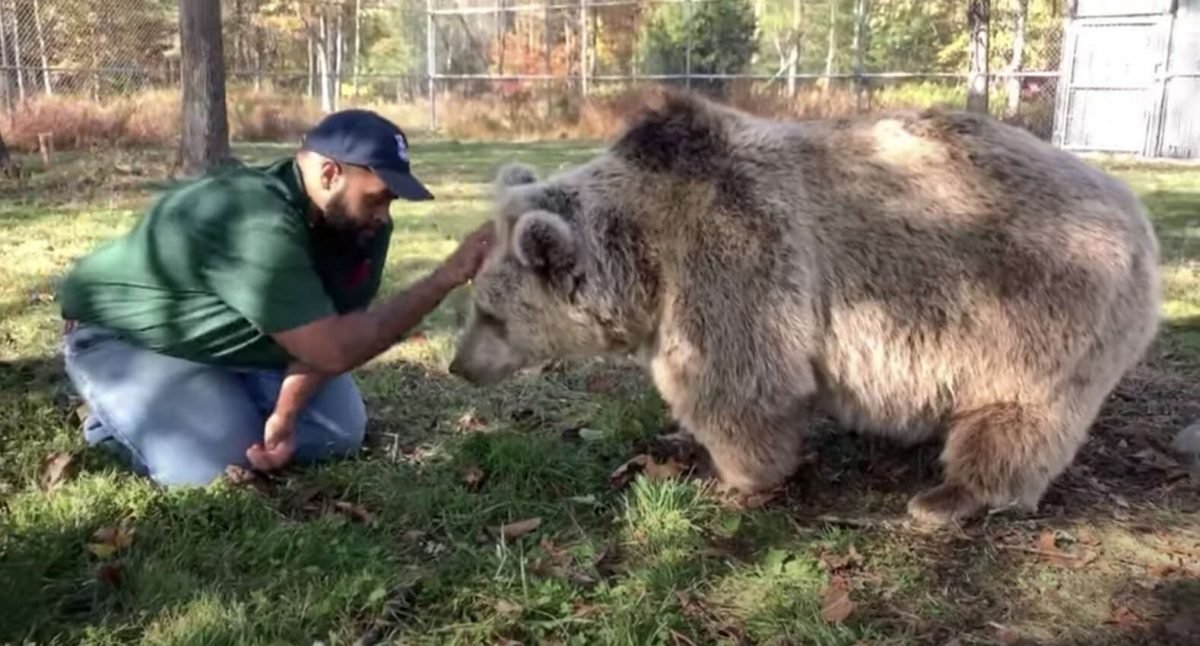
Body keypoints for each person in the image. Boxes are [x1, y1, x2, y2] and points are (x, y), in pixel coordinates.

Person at [57, 109, 494, 487]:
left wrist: (285, 415)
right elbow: (336, 347)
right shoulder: (254, 217)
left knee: (339, 433)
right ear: (330, 174)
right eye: (378, 197)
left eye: (391, 202)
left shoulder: (359, 227)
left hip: (230, 339)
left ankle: (211, 401)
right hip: (126, 338)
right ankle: (110, 422)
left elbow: (337, 338)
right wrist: (446, 276)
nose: (384, 216)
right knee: (213, 466)